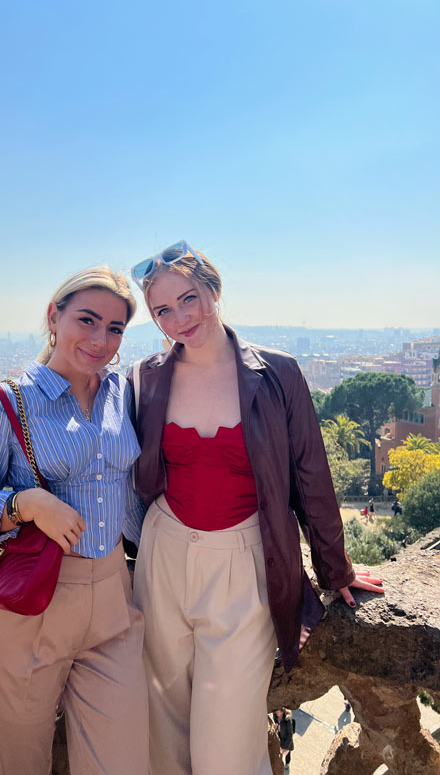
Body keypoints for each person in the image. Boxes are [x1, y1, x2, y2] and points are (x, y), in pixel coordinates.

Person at [124, 242, 384, 775]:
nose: (180, 318)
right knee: (161, 726)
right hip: (163, 556)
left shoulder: (279, 373)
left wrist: (336, 570)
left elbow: (311, 476)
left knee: (228, 744)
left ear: (214, 289)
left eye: (189, 298)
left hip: (245, 563)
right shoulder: (145, 376)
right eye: (163, 311)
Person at [0, 266, 148, 775]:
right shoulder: (8, 401)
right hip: (31, 609)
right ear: (53, 318)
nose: (101, 339)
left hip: (113, 601)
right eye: (87, 319)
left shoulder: (120, 395)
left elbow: (130, 495)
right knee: (12, 766)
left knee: (122, 763)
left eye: (116, 328)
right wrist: (27, 505)